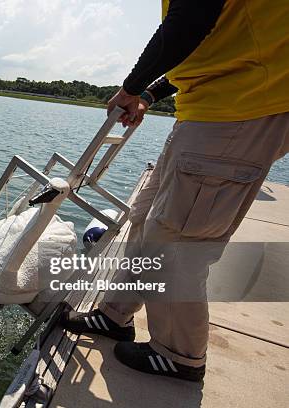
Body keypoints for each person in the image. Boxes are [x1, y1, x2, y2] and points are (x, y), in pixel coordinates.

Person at [61, 0, 289, 382]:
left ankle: (180, 354)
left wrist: (130, 88)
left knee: (177, 241)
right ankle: (115, 314)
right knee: (144, 217)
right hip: (209, 109)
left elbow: (191, 20)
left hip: (241, 108)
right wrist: (149, 93)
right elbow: (210, 41)